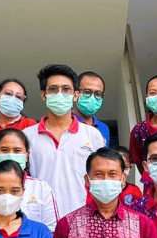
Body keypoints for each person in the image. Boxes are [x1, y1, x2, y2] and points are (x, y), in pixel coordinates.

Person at [23, 64, 105, 219]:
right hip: (40, 220)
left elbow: (100, 179)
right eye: (53, 89)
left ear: (75, 95)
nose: (60, 94)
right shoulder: (27, 136)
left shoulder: (93, 135)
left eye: (66, 89)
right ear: (43, 95)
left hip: (82, 219)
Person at [74, 71, 111, 146]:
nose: (92, 98)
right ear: (76, 94)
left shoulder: (104, 128)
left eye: (98, 94)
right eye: (87, 92)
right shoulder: (65, 123)